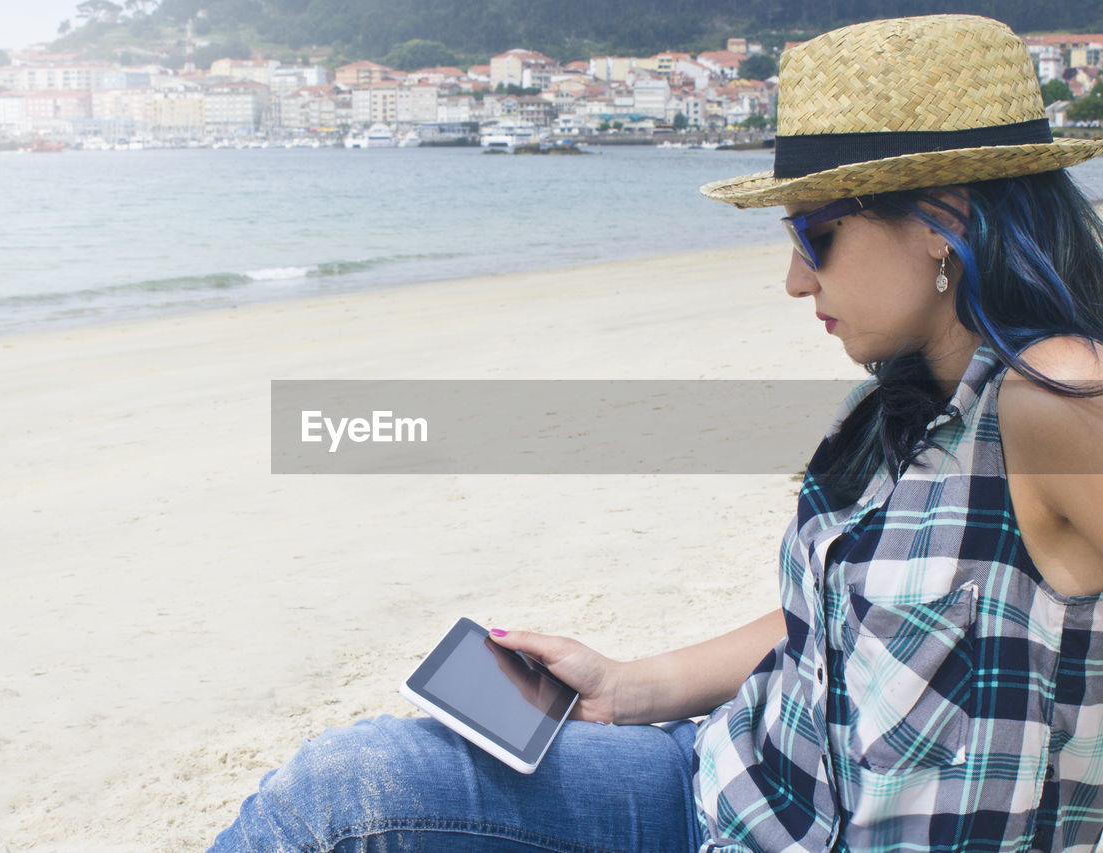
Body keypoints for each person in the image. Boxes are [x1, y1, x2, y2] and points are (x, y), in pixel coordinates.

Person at [209, 14, 1103, 851]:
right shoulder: (904, 401)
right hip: (723, 780)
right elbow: (858, 620)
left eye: (814, 234)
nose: (796, 279)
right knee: (344, 785)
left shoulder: (1053, 398)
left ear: (943, 218)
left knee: (341, 806)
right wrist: (639, 683)